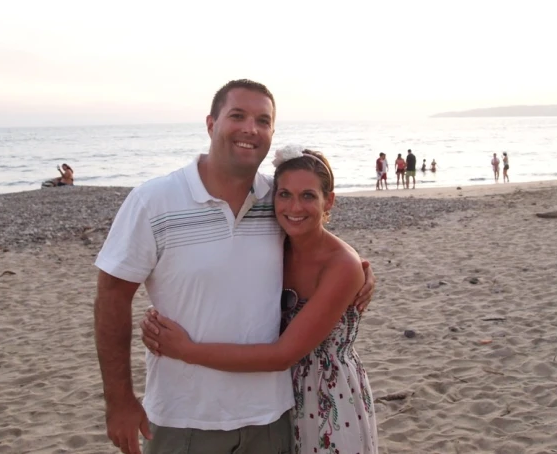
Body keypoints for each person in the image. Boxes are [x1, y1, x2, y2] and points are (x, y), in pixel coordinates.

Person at [93, 79, 375, 454]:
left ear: (272, 132)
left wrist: (360, 270)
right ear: (211, 123)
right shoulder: (153, 201)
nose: (250, 129)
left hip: (273, 419)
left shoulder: (273, 199)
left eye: (263, 120)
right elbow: (112, 295)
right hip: (185, 419)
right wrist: (119, 400)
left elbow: (316, 242)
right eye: (237, 116)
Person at [142, 147, 379, 454]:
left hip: (328, 396)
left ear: (328, 201)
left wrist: (187, 350)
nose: (294, 206)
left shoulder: (342, 266)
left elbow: (282, 355)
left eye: (308, 196)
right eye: (284, 194)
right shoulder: (276, 243)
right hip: (274, 400)